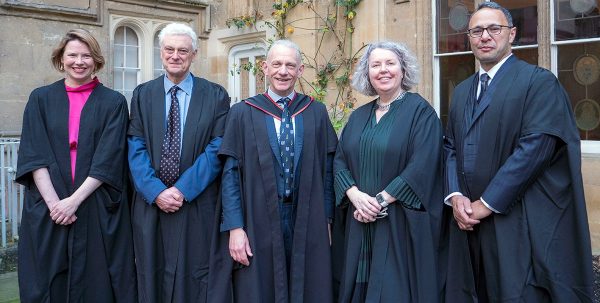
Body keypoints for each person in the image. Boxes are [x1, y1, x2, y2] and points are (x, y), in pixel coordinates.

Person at [444, 2, 594, 302]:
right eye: (476, 30)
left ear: (511, 34)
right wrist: (455, 195)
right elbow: (450, 146)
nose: (485, 36)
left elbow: (536, 148)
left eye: (493, 29)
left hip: (517, 219)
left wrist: (487, 203)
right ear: (469, 38)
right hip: (468, 222)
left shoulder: (538, 83)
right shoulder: (461, 92)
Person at [208, 39, 338, 302]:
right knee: (261, 287)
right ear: (264, 68)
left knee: (309, 286)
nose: (283, 71)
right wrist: (235, 227)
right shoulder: (243, 112)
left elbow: (327, 171)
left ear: (300, 70)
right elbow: (230, 174)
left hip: (307, 216)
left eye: (290, 65)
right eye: (277, 64)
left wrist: (327, 219)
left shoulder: (315, 112)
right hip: (258, 217)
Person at [16, 29, 137, 302]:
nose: (79, 61)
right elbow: (35, 153)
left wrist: (74, 202)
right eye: (72, 55)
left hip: (94, 204)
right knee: (46, 279)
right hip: (49, 206)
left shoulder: (113, 102)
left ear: (96, 61)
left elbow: (109, 157)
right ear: (61, 59)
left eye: (86, 55)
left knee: (95, 283)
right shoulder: (41, 99)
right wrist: (55, 204)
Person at [333, 41, 445, 302]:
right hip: (359, 224)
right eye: (375, 65)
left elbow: (424, 163)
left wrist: (380, 201)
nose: (383, 70)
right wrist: (356, 196)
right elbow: (339, 160)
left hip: (398, 225)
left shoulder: (421, 113)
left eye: (390, 63)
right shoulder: (359, 116)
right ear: (367, 74)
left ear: (403, 70)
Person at [127, 23, 230, 303]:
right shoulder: (142, 94)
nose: (175, 55)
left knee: (194, 278)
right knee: (151, 275)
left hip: (196, 203)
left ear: (194, 54)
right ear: (160, 53)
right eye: (169, 49)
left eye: (182, 50)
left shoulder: (215, 95)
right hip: (152, 204)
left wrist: (183, 189)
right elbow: (135, 146)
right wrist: (155, 191)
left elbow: (217, 146)